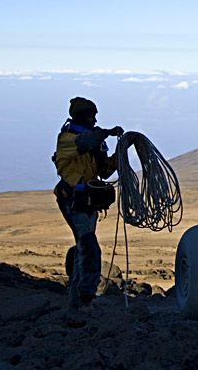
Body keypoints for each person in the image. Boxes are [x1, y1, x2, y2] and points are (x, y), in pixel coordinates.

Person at [52, 97, 123, 308]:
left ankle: (75, 302)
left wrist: (120, 154)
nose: (95, 119)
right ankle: (85, 298)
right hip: (72, 201)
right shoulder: (67, 139)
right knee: (89, 246)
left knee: (84, 247)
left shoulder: (94, 141)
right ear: (82, 116)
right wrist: (107, 132)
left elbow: (105, 170)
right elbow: (84, 144)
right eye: (92, 115)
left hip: (88, 202)